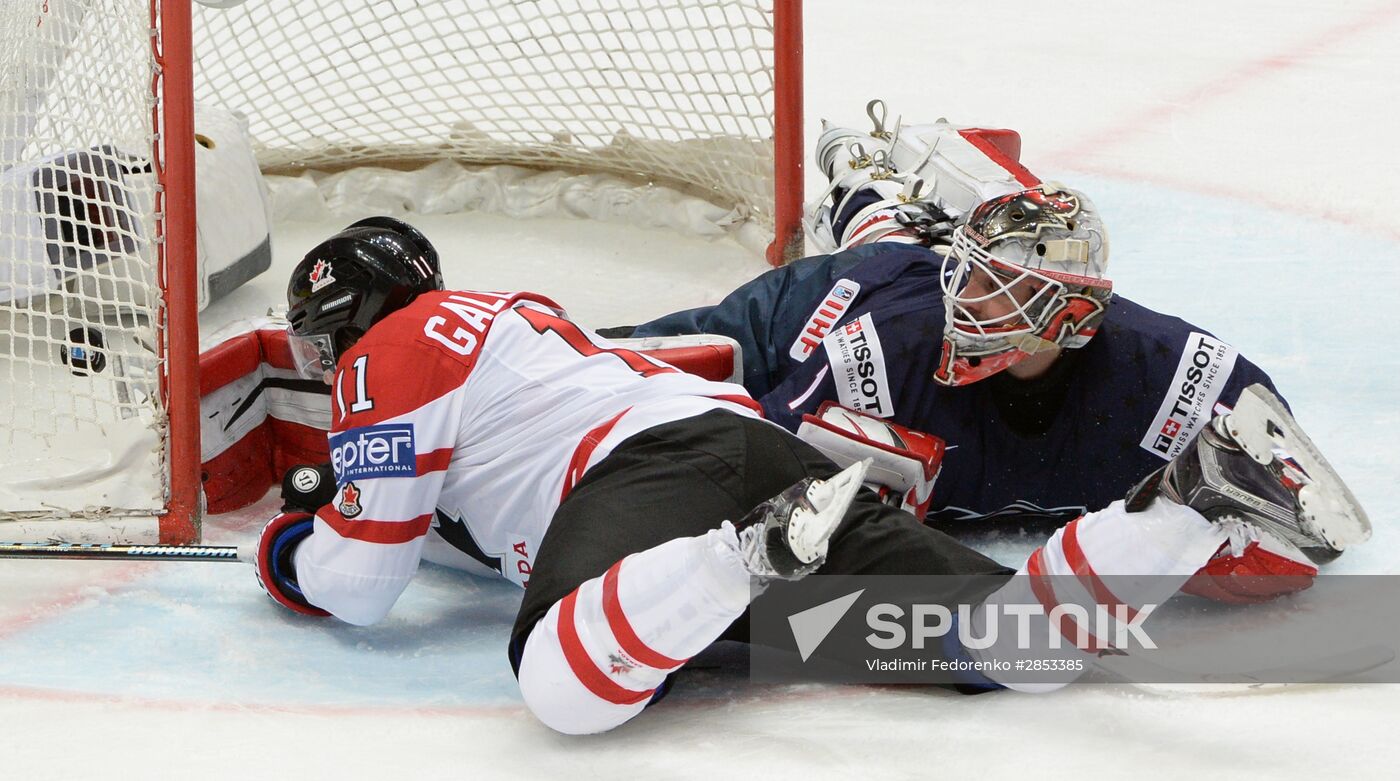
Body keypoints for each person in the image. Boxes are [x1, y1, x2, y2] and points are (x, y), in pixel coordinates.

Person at [251, 217, 1363, 734]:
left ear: (342, 320)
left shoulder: (389, 352)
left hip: (656, 480)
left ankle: (743, 558)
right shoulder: (523, 322)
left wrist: (284, 549)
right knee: (1012, 654)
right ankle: (1183, 504)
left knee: (560, 686)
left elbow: (360, 585)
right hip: (755, 451)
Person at [606, 104, 1369, 582]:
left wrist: (1215, 527)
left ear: (1067, 315)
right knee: (627, 371)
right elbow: (738, 463)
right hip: (834, 301)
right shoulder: (884, 352)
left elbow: (1313, 522)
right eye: (968, 276)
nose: (963, 301)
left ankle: (865, 177)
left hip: (901, 276)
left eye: (991, 286)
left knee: (902, 240)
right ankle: (859, 178)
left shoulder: (1167, 373)